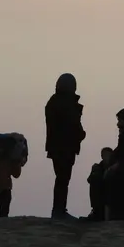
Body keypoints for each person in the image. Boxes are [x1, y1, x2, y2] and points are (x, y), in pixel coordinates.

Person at [45, 72, 86, 220]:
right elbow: (72, 125)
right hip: (65, 147)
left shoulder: (53, 102)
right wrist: (81, 134)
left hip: (56, 146)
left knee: (61, 178)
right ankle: (59, 210)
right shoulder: (67, 104)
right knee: (63, 179)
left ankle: (59, 209)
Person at [86, 147, 113, 221]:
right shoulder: (98, 167)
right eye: (104, 155)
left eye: (108, 155)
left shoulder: (114, 168)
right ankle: (96, 210)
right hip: (100, 194)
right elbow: (89, 179)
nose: (106, 157)